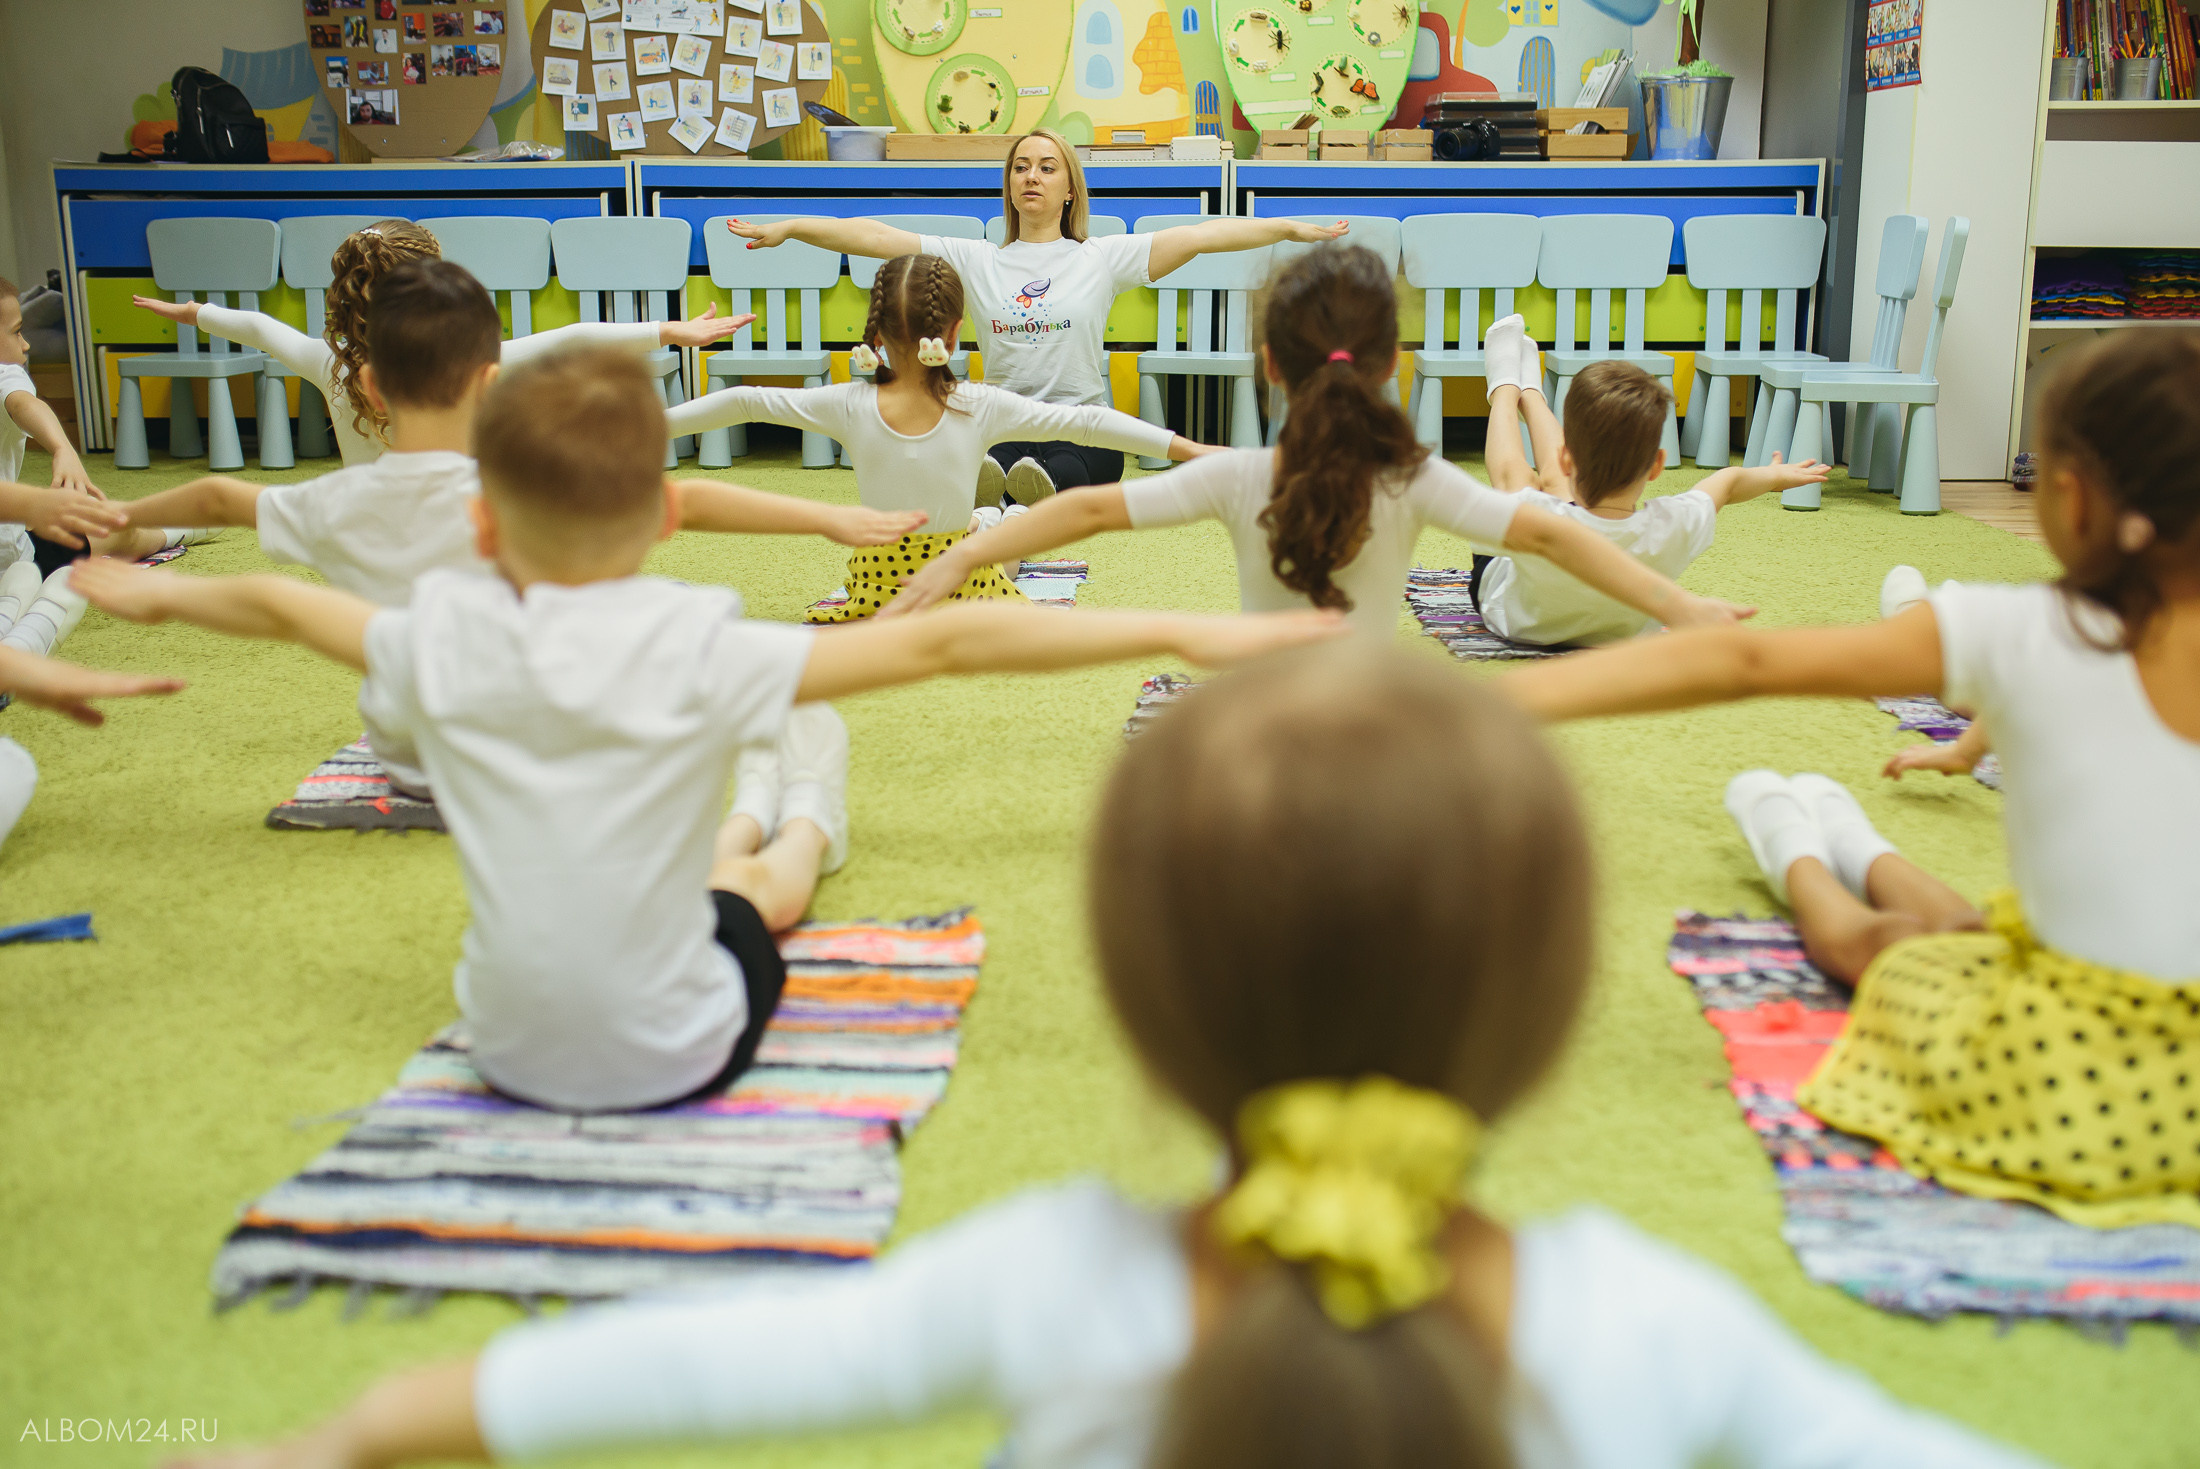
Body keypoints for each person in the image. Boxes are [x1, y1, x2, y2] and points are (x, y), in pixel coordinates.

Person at [160, 644, 2045, 1469]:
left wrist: (360, 1420)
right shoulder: (1650, 1323)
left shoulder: (1048, 1281)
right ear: (1552, 1007)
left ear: (1143, 1003)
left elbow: (676, 1372)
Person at [75, 345, 1339, 1117]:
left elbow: (286, 608)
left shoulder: (434, 638)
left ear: (478, 528)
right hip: (682, 1043)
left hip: (502, 1045)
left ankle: (748, 829)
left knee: (725, 796)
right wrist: (1185, 635)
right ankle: (783, 833)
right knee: (787, 804)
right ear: (665, 520)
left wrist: (161, 590)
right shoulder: (700, 640)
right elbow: (956, 639)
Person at [1502, 328, 2200, 1229]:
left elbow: (1746, 661)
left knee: (1894, 954)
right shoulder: (2032, 635)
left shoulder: (2021, 626)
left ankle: (1803, 840)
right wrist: (1966, 747)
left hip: (2064, 1079)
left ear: (2067, 495)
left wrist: (1495, 704)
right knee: (1980, 935)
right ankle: (1845, 838)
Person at [120, 261, 917, 799]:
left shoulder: (327, 502)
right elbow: (688, 499)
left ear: (366, 379)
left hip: (404, 756)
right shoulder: (512, 497)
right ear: (492, 380)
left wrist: (119, 515)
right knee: (663, 608)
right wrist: (829, 516)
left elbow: (225, 495)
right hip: (510, 739)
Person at [888, 247, 1753, 640]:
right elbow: (1554, 530)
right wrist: (1677, 606)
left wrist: (959, 559)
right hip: (1374, 733)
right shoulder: (1414, 478)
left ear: (1268, 363)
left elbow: (1085, 510)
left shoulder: (1237, 475)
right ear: (1389, 366)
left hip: (1270, 732)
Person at [725, 128, 1345, 501]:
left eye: (1047, 168)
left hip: (1081, 422)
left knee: (1086, 464)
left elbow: (1205, 235)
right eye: (1021, 166)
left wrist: (1286, 226)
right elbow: (873, 234)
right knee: (995, 459)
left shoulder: (1102, 257)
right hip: (1001, 421)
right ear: (1009, 183)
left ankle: (1010, 503)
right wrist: (793, 227)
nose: (1032, 176)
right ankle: (1007, 495)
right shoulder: (973, 258)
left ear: (1068, 188)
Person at [665, 253, 1214, 621]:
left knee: (972, 522)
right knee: (993, 537)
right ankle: (1007, 519)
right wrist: (1188, 448)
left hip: (877, 590)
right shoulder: (979, 405)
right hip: (963, 584)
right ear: (954, 333)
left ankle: (991, 516)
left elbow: (741, 400)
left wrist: (652, 428)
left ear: (875, 334)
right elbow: (1088, 422)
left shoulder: (846, 405)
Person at [130, 219, 757, 467]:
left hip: (373, 546)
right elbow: (571, 338)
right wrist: (671, 330)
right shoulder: (464, 367)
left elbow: (260, 330)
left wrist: (192, 310)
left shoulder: (332, 365)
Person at [1469, 325, 1828, 648]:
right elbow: (1728, 482)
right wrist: (1774, 477)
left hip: (1520, 623)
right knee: (1552, 490)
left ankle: (1507, 388)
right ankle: (1531, 393)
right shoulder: (1674, 524)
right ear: (1657, 465)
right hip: (1620, 636)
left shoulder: (1535, 517)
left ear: (1567, 458)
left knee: (1515, 480)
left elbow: (1501, 478)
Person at [0, 276, 196, 659]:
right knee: (107, 530)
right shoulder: (5, 370)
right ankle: (177, 530)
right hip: (15, 558)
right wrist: (62, 448)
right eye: (17, 332)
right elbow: (23, 403)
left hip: (17, 543)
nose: (25, 345)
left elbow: (24, 405)